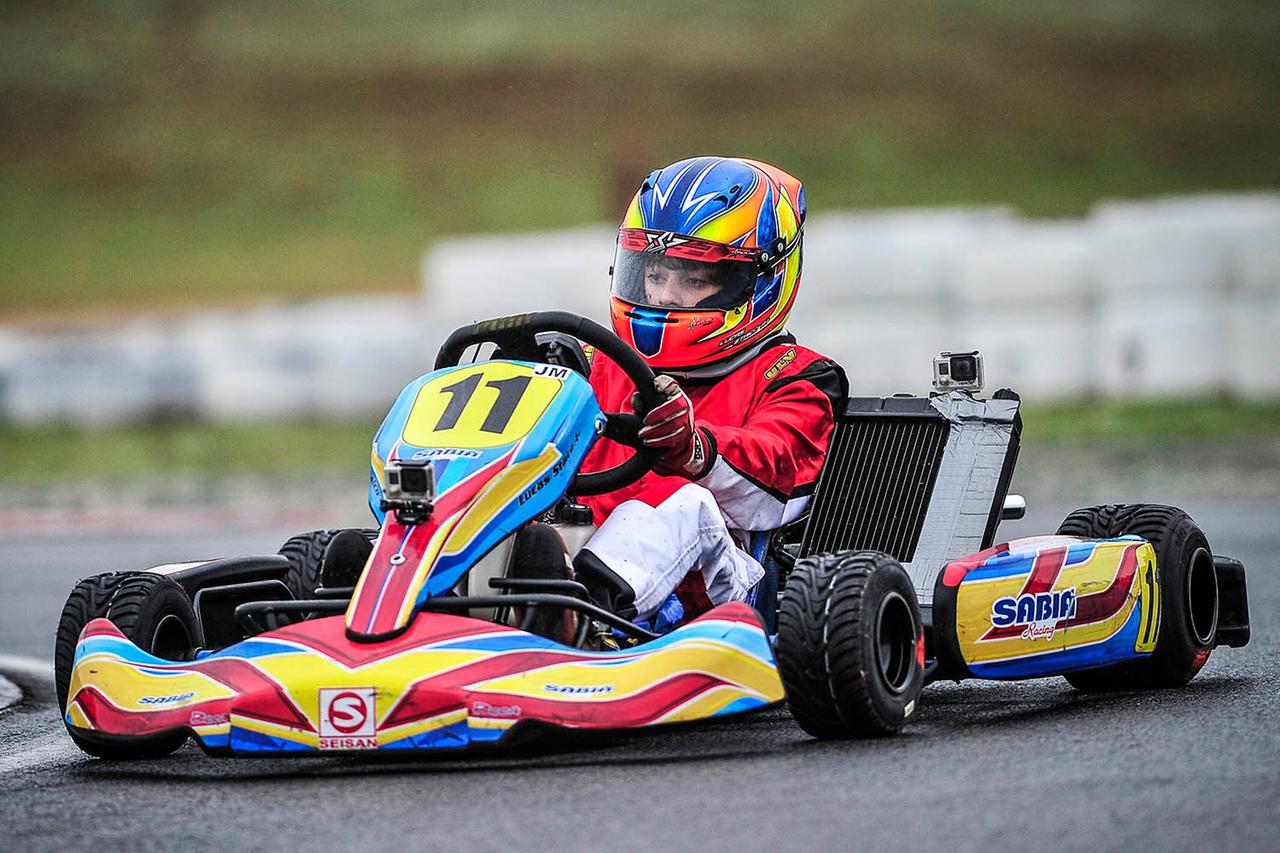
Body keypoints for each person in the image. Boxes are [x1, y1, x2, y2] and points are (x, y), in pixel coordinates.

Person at [559, 155, 847, 631]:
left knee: (682, 502)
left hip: (731, 591)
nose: (666, 296)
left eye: (693, 279)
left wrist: (695, 449)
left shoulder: (796, 377)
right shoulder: (596, 364)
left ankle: (588, 623)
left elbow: (777, 482)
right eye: (655, 276)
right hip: (581, 556)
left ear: (759, 279)